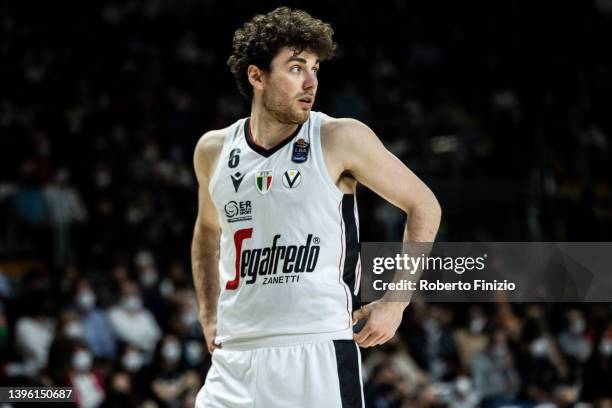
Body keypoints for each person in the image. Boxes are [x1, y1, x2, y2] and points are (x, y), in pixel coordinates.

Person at [191, 7, 441, 407]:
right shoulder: (213, 150)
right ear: (257, 76)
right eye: (295, 68)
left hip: (316, 348)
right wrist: (208, 314)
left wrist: (395, 303)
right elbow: (207, 232)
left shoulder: (339, 137)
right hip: (235, 357)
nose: (311, 81)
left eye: (315, 67)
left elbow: (424, 205)